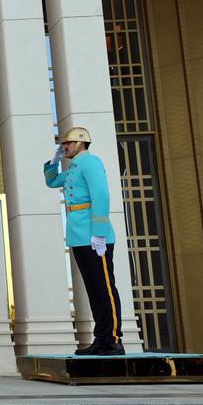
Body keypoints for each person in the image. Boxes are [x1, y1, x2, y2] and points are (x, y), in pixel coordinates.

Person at [44, 127, 124, 356]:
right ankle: (102, 338)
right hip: (79, 235)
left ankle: (113, 339)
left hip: (94, 235)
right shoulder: (73, 167)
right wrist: (53, 162)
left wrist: (99, 232)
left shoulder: (91, 162)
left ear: (81, 143)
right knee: (93, 289)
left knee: (105, 288)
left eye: (67, 143)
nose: (64, 147)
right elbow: (52, 183)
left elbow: (101, 195)